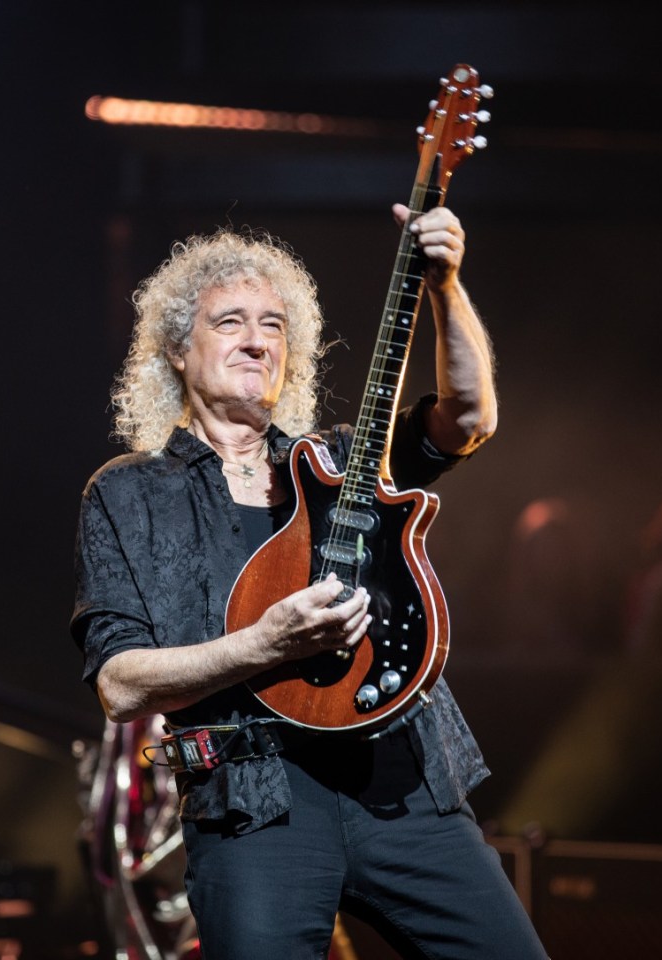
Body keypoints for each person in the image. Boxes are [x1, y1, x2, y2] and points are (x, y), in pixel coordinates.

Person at [71, 203, 549, 960]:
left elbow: (467, 417)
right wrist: (262, 646)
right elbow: (122, 685)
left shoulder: (342, 466)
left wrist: (445, 286)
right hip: (255, 805)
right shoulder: (130, 493)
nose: (257, 340)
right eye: (229, 321)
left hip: (405, 784)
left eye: (274, 324)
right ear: (174, 348)